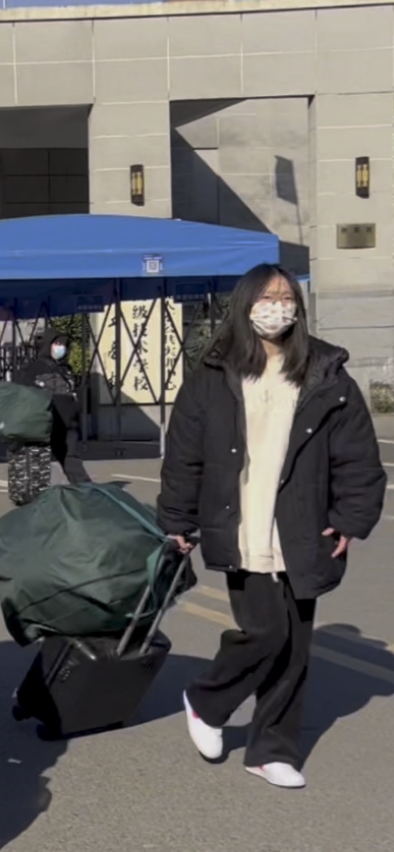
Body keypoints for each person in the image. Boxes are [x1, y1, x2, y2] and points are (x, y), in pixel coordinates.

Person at [160, 264, 385, 790]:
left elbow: (358, 455)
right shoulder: (214, 374)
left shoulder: (326, 372)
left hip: (304, 526)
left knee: (296, 645)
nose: (277, 306)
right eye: (266, 297)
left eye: (287, 297)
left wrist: (350, 519)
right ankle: (208, 699)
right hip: (241, 521)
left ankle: (271, 750)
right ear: (245, 304)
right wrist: (178, 519)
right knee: (267, 631)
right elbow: (184, 455)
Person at [6, 328, 91, 505]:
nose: (61, 348)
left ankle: (86, 491)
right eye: (57, 344)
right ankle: (32, 497)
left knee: (71, 457)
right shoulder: (33, 369)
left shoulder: (66, 369)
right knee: (37, 461)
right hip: (44, 423)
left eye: (64, 345)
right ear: (47, 346)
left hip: (67, 424)